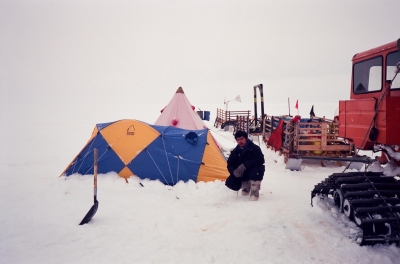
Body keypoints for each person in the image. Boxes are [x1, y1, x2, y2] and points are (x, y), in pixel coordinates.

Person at [225, 130, 265, 201]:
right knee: (230, 182)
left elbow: (260, 160)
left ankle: (254, 192)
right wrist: (234, 171)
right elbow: (230, 164)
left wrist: (245, 165)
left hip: (253, 171)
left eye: (242, 139)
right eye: (238, 139)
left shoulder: (254, 148)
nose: (240, 141)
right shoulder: (235, 151)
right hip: (243, 173)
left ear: (246, 138)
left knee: (255, 171)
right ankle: (247, 186)